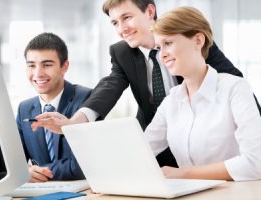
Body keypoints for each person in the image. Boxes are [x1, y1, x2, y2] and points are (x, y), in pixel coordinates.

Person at [31, 0, 259, 168]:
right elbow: (110, 86)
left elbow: (236, 85)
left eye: (127, 17)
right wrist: (75, 122)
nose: (121, 28)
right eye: (114, 22)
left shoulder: (189, 36)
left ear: (150, 11)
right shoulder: (123, 53)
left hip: (211, 147)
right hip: (157, 145)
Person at [144, 6, 261, 181]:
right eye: (159, 48)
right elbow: (141, 150)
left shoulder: (235, 88)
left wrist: (181, 173)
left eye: (168, 43)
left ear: (198, 40)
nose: (163, 55)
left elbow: (255, 163)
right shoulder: (171, 101)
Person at [16, 32, 91, 182]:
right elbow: (15, 162)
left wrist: (38, 173)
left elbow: (84, 165)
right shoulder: (24, 108)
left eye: (47, 65)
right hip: (41, 193)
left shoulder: (87, 100)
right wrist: (25, 171)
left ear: (64, 67)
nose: (38, 73)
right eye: (31, 65)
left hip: (83, 192)